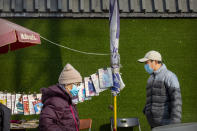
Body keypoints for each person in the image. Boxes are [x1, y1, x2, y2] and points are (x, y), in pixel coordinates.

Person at [138, 50, 182, 128]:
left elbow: (176, 100)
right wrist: (147, 109)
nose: (145, 65)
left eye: (146, 63)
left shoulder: (170, 76)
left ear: (154, 61)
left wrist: (175, 124)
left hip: (167, 124)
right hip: (153, 124)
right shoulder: (150, 78)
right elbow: (152, 96)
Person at [39, 63, 82, 131]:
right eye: (77, 84)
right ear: (67, 84)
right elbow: (46, 123)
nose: (78, 88)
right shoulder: (56, 101)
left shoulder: (66, 99)